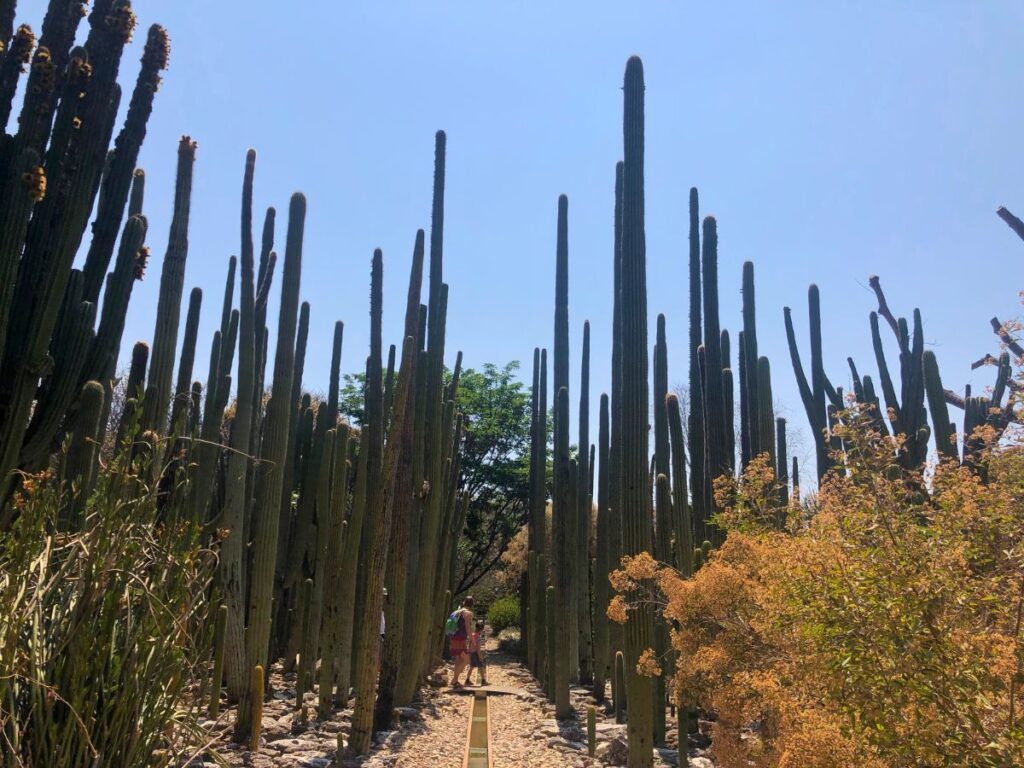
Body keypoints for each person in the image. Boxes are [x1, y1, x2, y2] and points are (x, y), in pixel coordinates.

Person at [449, 595, 475, 689]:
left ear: (464, 602)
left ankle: (455, 682)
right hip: (460, 639)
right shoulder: (467, 613)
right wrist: (472, 639)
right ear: (472, 604)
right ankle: (454, 680)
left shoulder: (457, 611)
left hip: (453, 637)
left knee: (459, 660)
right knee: (467, 659)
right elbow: (468, 627)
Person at [464, 618, 488, 687]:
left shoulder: (472, 634)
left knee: (471, 667)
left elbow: (469, 644)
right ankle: (483, 680)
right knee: (481, 667)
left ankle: (467, 680)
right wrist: (480, 657)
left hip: (471, 652)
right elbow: (478, 648)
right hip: (475, 653)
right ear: (481, 629)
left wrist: (468, 652)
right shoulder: (477, 636)